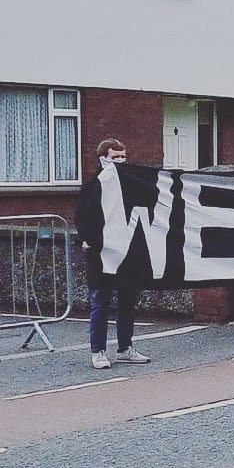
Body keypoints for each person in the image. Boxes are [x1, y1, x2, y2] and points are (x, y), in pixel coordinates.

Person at [77, 139, 151, 370]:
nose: (120, 161)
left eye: (122, 156)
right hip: (101, 255)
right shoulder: (93, 186)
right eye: (114, 157)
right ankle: (98, 351)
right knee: (101, 302)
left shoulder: (131, 185)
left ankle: (125, 348)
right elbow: (83, 217)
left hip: (126, 254)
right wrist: (90, 241)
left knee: (127, 302)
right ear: (103, 159)